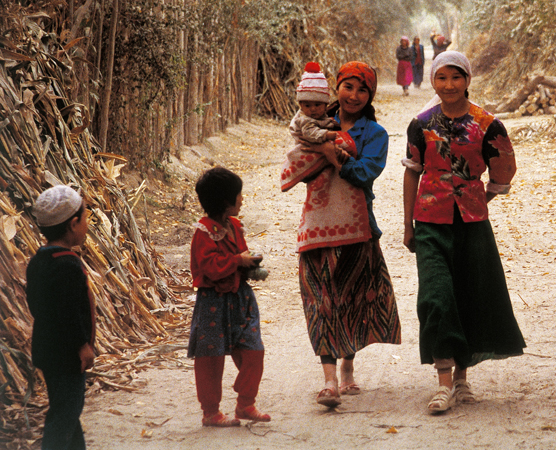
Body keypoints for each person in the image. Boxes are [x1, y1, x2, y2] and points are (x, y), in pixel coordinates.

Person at [402, 51, 525, 414]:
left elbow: (504, 170)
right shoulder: (420, 123)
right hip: (429, 222)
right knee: (436, 297)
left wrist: (478, 194)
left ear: (468, 80)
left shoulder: (489, 125)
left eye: (456, 78)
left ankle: (461, 378)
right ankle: (442, 383)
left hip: (472, 225)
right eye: (442, 78)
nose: (449, 85)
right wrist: (407, 223)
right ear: (434, 81)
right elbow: (412, 171)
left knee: (469, 294)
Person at [287, 61, 401, 408]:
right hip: (316, 226)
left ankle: (348, 366)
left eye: (362, 89)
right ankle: (328, 380)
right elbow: (294, 163)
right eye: (348, 86)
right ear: (336, 88)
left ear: (371, 95)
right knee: (320, 302)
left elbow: (365, 173)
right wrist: (324, 146)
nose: (354, 95)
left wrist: (331, 156)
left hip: (359, 230)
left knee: (350, 299)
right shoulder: (314, 122)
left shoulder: (376, 135)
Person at [188, 167, 270, 426]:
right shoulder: (203, 232)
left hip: (240, 299)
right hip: (213, 303)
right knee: (210, 358)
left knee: (253, 350)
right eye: (238, 195)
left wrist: (250, 265)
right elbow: (209, 267)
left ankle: (246, 404)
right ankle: (210, 412)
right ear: (225, 200)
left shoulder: (235, 225)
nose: (242, 199)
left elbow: (239, 256)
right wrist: (237, 261)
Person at [26, 184, 95, 450]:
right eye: (86, 219)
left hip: (46, 349)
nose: (86, 225)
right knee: (65, 414)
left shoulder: (40, 261)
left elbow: (38, 305)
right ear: (74, 224)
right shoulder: (68, 265)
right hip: (67, 355)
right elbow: (68, 313)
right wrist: (82, 345)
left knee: (66, 410)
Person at [289, 62, 337, 144]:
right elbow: (309, 133)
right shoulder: (305, 119)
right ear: (301, 106)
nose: (313, 109)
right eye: (307, 106)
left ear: (326, 105)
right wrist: (327, 135)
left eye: (317, 105)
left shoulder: (322, 116)